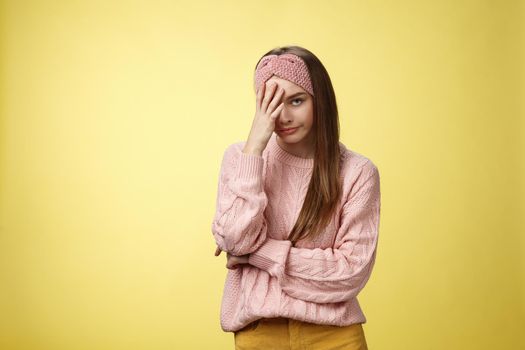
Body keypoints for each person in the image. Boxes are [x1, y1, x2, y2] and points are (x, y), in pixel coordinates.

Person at [211, 45, 381, 350]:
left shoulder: (357, 171)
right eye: (271, 103)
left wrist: (256, 255)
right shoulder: (241, 158)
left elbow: (350, 271)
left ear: (321, 101)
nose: (283, 116)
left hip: (334, 336)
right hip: (261, 332)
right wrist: (254, 149)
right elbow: (235, 239)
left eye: (296, 100)